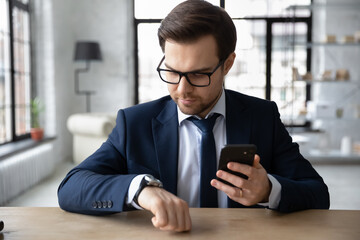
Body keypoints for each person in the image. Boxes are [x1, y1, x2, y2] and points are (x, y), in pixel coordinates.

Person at [58, 0, 329, 233]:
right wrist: (139, 190)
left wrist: (269, 190)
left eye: (199, 74)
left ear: (228, 64)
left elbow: (317, 193)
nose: (182, 89)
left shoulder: (262, 117)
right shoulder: (135, 123)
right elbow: (71, 187)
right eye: (172, 71)